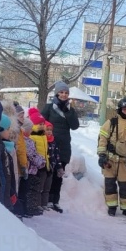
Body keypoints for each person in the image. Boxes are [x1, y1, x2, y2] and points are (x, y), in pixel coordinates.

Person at [97, 97, 126, 217]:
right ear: (119, 109)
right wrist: (102, 155)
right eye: (124, 109)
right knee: (110, 185)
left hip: (125, 162)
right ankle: (111, 207)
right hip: (110, 161)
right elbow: (102, 139)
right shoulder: (110, 123)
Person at [41, 82, 79, 212]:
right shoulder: (49, 108)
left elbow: (74, 126)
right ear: (57, 93)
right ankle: (45, 200)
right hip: (50, 146)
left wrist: (68, 112)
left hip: (63, 147)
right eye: (61, 92)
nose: (64, 94)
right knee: (48, 174)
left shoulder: (70, 110)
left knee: (59, 174)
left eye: (66, 92)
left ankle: (54, 201)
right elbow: (41, 123)